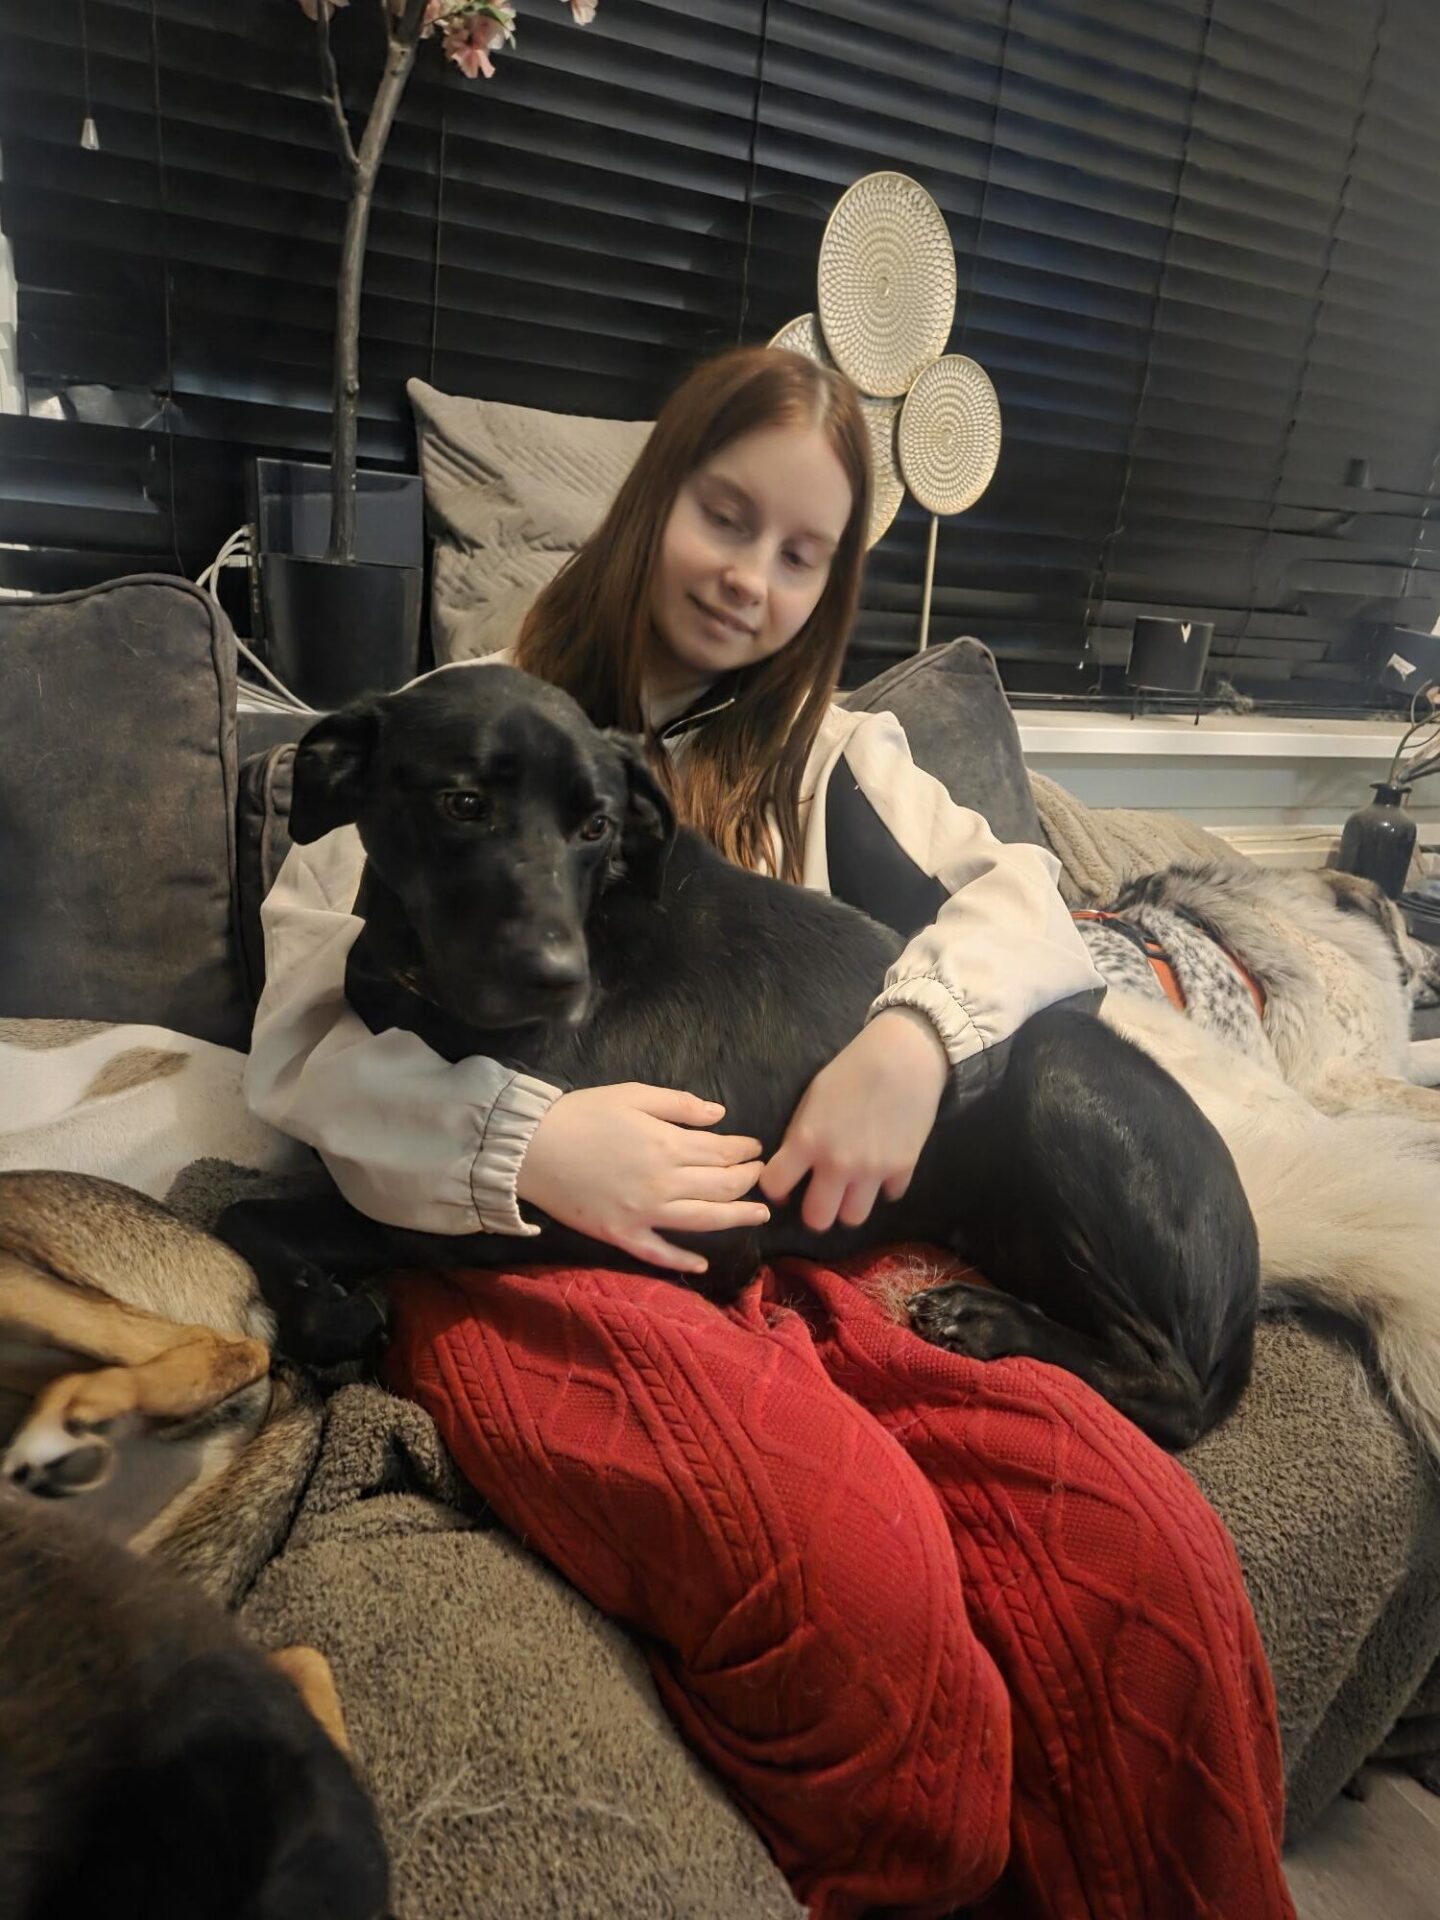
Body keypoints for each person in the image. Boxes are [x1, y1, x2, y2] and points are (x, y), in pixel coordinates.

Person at [246, 348, 1293, 1918]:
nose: (751, 577)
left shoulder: (840, 754)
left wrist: (915, 1039)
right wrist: (522, 1143)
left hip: (804, 1210)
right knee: (847, 1582)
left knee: (1145, 1554)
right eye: (724, 517)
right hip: (556, 1225)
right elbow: (302, 1030)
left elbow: (1025, 900)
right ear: (648, 498)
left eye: (803, 553)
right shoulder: (463, 721)